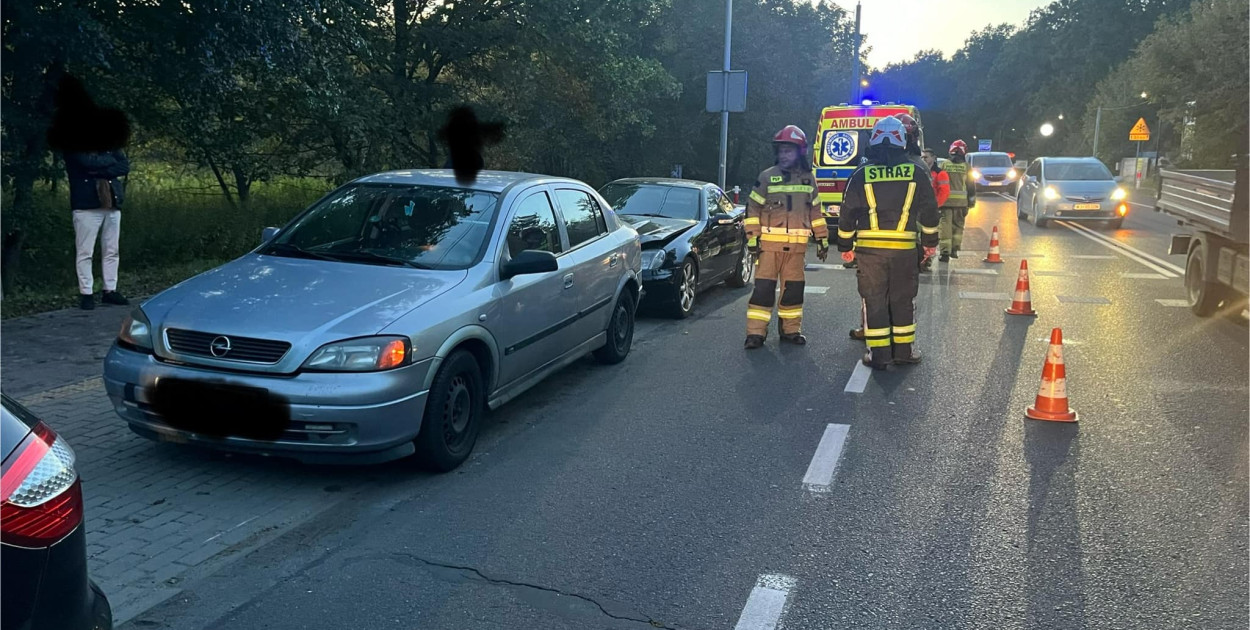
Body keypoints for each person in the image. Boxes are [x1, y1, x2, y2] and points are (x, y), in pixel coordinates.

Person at [837, 117, 939, 369]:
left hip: (870, 253)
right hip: (904, 251)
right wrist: (929, 243)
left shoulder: (861, 174)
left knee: (875, 301)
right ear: (902, 141)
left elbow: (847, 213)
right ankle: (904, 352)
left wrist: (845, 248)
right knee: (903, 300)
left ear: (873, 140)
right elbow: (930, 212)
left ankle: (879, 355)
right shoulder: (916, 172)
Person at [743, 125, 829, 350]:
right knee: (762, 292)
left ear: (800, 152)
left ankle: (791, 330)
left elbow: (816, 213)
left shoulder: (809, 180)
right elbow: (752, 209)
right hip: (769, 248)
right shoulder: (766, 177)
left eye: (788, 151)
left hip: (797, 250)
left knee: (793, 292)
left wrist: (822, 239)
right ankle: (755, 334)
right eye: (781, 151)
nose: (783, 155)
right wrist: (752, 238)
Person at [65, 149, 130, 310]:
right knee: (85, 252)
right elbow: (88, 162)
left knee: (112, 250)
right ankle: (86, 293)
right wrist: (109, 164)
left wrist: (100, 171)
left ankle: (110, 290)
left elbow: (124, 166)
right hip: (86, 206)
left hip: (112, 204)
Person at [938, 139, 977, 262]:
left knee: (945, 227)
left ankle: (945, 252)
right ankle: (954, 249)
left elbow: (937, 183)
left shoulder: (944, 165)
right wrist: (971, 202)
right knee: (958, 226)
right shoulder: (966, 167)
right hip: (961, 204)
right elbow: (971, 186)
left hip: (945, 202)